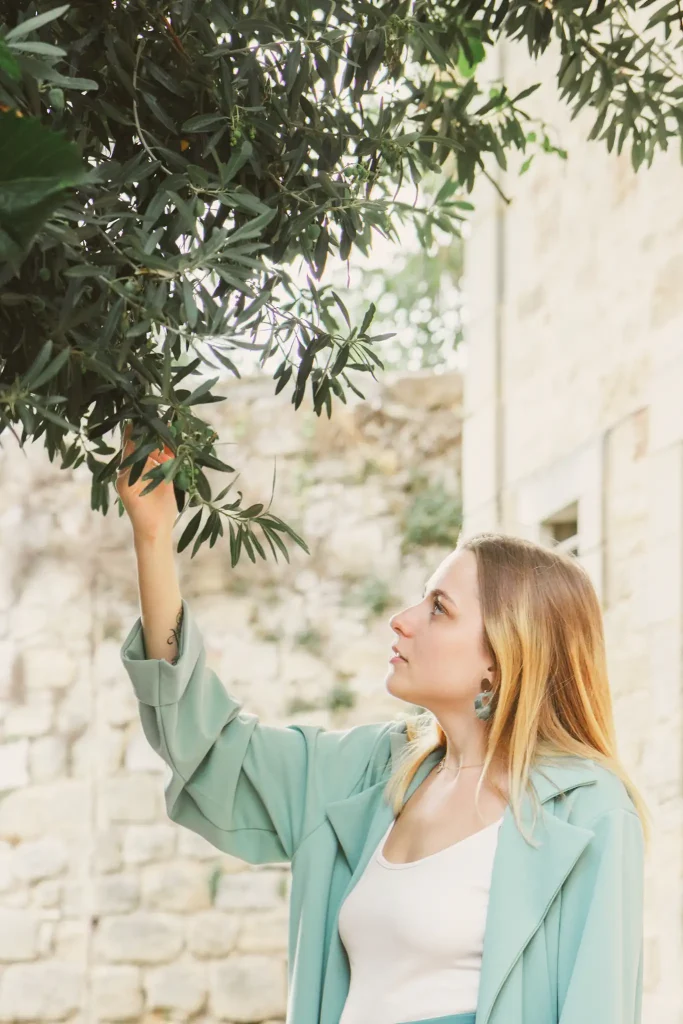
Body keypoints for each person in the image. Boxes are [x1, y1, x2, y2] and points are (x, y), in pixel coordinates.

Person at [116, 421, 650, 1024]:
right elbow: (206, 743)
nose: (401, 619)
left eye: (438, 609)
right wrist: (153, 537)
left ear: (503, 659)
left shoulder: (587, 809)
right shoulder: (371, 772)